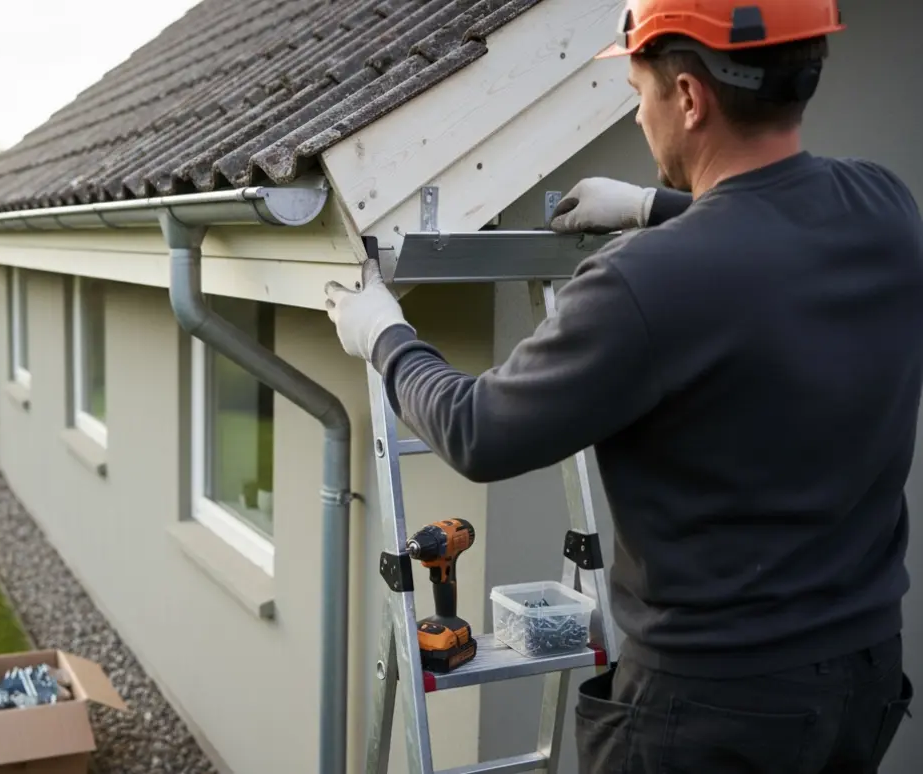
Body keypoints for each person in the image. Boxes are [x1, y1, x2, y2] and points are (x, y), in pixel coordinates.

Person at [324, 1, 918, 771]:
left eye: (639, 93)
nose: (638, 117)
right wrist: (653, 206)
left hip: (715, 711)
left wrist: (384, 336)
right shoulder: (884, 206)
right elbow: (768, 233)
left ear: (690, 97)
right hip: (861, 678)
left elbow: (479, 431)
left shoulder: (645, 282)